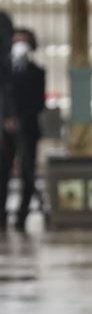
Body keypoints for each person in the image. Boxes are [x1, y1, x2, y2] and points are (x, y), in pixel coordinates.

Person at [3, 28, 45, 231]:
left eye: (24, 40)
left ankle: (22, 216)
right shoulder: (4, 70)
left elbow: (38, 103)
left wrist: (20, 120)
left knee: (28, 173)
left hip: (28, 129)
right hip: (4, 131)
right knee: (3, 173)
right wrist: (6, 118)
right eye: (16, 40)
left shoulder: (37, 72)